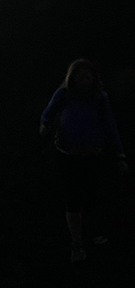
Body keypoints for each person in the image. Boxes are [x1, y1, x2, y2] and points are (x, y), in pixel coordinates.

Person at [39, 59, 128, 262]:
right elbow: (48, 112)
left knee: (91, 196)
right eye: (80, 77)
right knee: (73, 197)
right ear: (73, 78)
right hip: (67, 154)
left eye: (88, 77)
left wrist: (119, 154)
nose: (84, 81)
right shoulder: (64, 94)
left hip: (92, 155)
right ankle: (76, 242)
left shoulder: (100, 98)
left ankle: (91, 233)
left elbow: (110, 125)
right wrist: (44, 125)